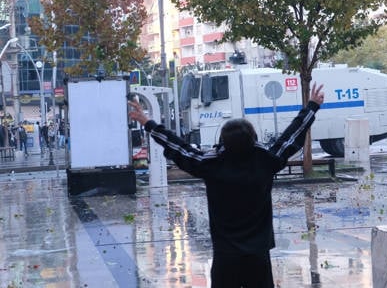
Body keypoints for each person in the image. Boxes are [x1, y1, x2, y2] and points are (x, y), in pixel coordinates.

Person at [128, 83, 325, 288]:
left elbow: (178, 147)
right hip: (258, 255)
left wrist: (148, 122)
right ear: (253, 138)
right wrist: (311, 106)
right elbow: (291, 138)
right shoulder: (266, 161)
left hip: (225, 256)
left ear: (223, 141)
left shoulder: (211, 165)